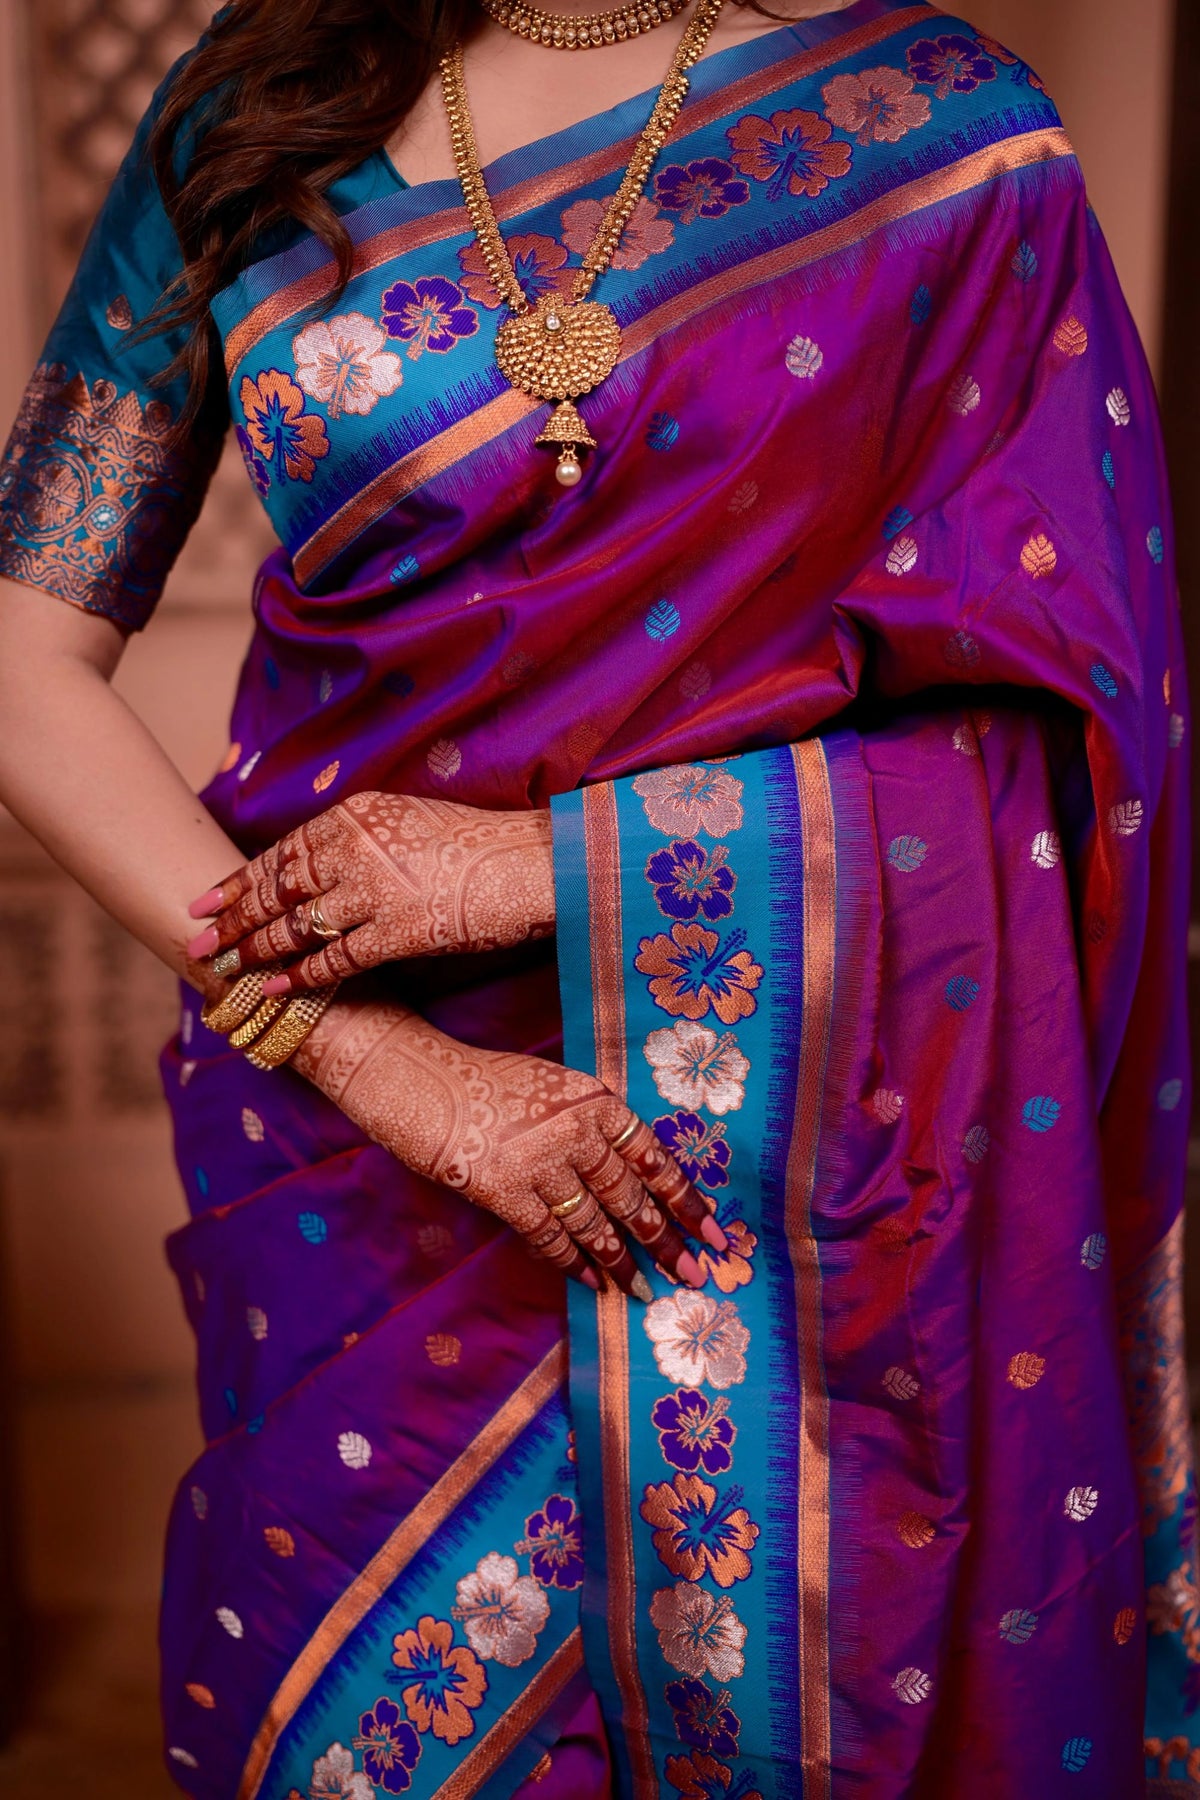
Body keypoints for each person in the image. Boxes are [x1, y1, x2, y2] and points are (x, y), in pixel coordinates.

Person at [0, 0, 1191, 1792]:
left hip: (802, 1157)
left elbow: (1060, 749)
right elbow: (22, 660)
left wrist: (533, 868)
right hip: (354, 1161)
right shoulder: (252, 114)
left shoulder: (945, 144)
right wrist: (368, 1058)